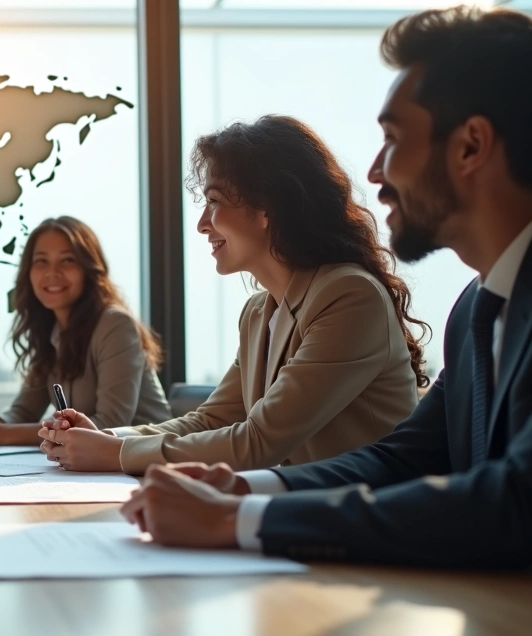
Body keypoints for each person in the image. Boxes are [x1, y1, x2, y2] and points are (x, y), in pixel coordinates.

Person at [119, 6, 532, 569]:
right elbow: (401, 460)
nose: (375, 172)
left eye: (392, 138)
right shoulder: (474, 313)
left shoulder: (355, 295)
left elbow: (515, 501)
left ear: (470, 146)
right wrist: (243, 493)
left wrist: (237, 519)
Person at [41, 116, 428, 474]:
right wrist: (106, 439)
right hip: (300, 513)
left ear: (268, 209)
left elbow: (259, 442)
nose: (201, 224)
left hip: (362, 525)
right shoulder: (259, 312)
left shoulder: (349, 296)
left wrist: (112, 455)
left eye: (214, 202)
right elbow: (211, 419)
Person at [0, 216, 171, 446]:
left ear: (89, 269)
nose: (53, 272)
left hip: (145, 461)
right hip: (96, 466)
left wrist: (0, 433)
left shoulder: (115, 325)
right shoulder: (50, 330)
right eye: (41, 261)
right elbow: (23, 412)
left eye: (68, 260)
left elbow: (108, 425)